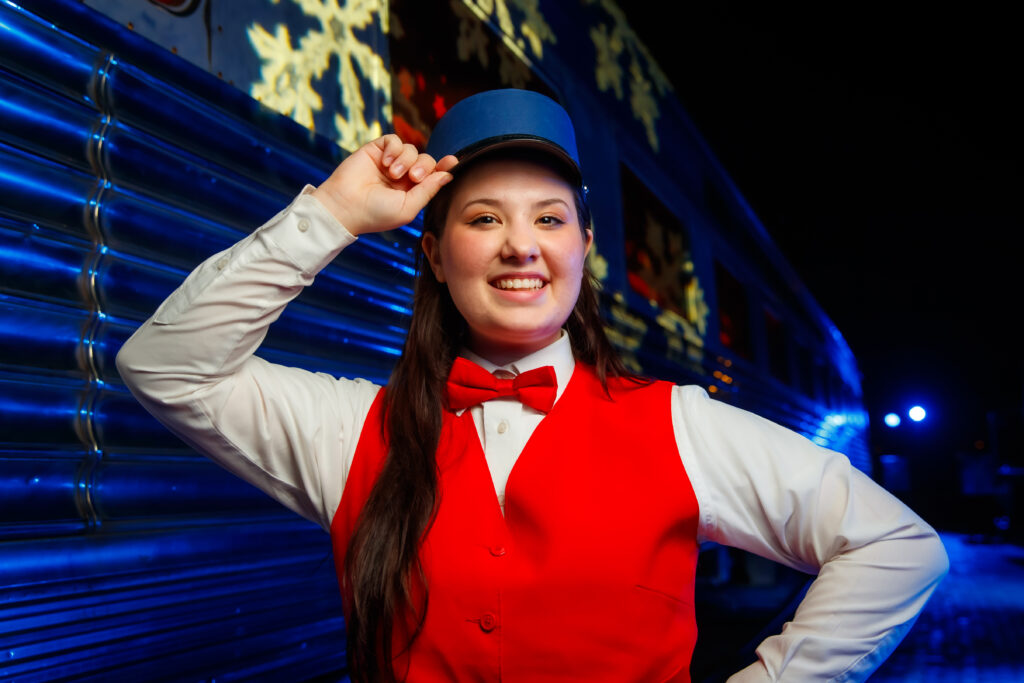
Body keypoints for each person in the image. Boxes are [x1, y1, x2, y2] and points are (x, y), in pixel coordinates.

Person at [116, 88, 948, 682]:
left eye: (549, 219)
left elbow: (895, 544)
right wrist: (330, 214)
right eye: (483, 218)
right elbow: (163, 363)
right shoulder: (350, 428)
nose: (521, 244)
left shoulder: (681, 425)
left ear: (584, 249)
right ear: (436, 257)